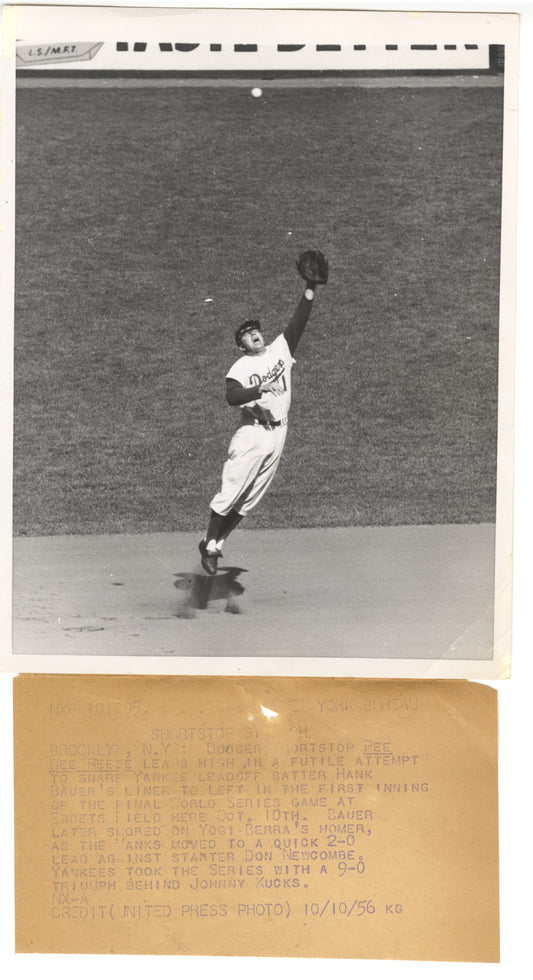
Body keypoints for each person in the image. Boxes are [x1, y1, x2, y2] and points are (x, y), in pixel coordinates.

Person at [199, 271, 324, 575]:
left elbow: (300, 319)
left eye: (255, 330)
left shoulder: (281, 348)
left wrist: (310, 286)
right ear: (241, 346)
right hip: (252, 434)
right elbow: (231, 396)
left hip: (279, 432)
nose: (254, 334)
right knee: (232, 490)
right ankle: (211, 546)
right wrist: (259, 389)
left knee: (251, 497)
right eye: (246, 334)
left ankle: (214, 543)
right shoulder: (241, 366)